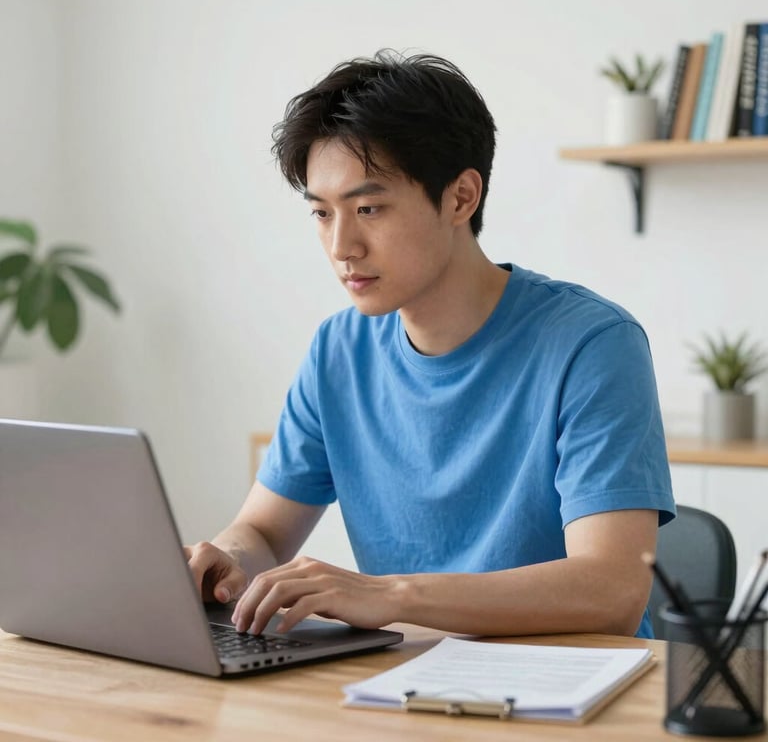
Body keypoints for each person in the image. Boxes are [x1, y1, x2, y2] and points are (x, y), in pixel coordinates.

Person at [185, 49, 675, 639]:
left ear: (461, 198)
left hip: (570, 698)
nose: (342, 245)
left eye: (368, 208)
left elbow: (613, 590)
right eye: (321, 213)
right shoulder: (339, 350)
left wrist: (390, 594)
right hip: (407, 685)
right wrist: (229, 559)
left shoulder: (592, 344)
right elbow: (263, 532)